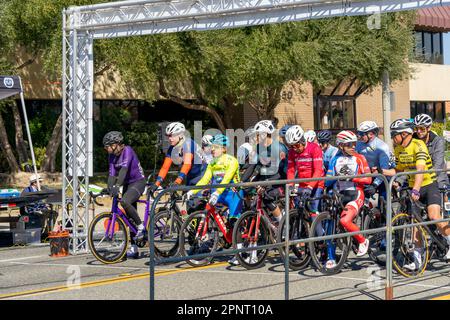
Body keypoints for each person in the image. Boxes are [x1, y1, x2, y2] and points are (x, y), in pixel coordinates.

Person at [387, 119, 450, 268]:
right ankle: (417, 260)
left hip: (429, 185)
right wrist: (379, 171)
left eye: (393, 135)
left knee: (434, 216)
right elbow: (399, 170)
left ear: (404, 134)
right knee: (414, 223)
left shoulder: (418, 145)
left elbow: (420, 170)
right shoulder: (398, 149)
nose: (392, 138)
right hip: (412, 187)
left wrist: (415, 189)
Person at [185, 134, 243, 265]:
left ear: (223, 149)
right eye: (211, 147)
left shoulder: (231, 160)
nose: (212, 150)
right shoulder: (212, 163)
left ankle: (239, 253)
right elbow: (204, 180)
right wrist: (192, 191)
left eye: (215, 147)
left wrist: (217, 192)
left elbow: (227, 179)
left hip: (233, 194)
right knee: (210, 211)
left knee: (234, 222)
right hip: (220, 193)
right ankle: (218, 237)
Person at [325, 130, 372, 269]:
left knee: (344, 220)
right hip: (339, 195)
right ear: (340, 146)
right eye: (349, 145)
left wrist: (353, 178)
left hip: (355, 193)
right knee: (330, 226)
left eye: (354, 144)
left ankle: (362, 241)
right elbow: (328, 179)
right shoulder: (335, 159)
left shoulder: (360, 158)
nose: (353, 147)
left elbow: (368, 179)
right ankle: (331, 257)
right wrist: (322, 188)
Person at [103, 131, 146, 259]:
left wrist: (117, 186)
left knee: (125, 202)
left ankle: (141, 227)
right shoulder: (112, 156)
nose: (107, 149)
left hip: (138, 182)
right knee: (129, 217)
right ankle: (134, 247)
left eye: (108, 146)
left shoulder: (127, 151)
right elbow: (111, 174)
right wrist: (109, 187)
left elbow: (123, 170)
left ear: (116, 145)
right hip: (127, 184)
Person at [241, 120, 287, 225]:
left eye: (257, 135)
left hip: (281, 179)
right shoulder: (258, 147)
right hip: (266, 179)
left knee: (267, 198)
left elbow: (281, 172)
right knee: (249, 193)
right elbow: (251, 167)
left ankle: (283, 226)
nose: (255, 137)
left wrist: (266, 182)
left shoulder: (279, 148)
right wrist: (241, 181)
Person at [148, 122, 204, 195]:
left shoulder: (188, 143)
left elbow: (187, 164)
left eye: (172, 136)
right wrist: (157, 184)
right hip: (190, 176)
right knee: (188, 202)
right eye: (168, 136)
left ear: (180, 135)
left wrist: (177, 181)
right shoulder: (172, 148)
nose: (170, 139)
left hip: (202, 174)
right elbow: (165, 167)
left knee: (197, 202)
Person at [285, 125, 324, 217]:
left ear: (302, 140)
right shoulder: (292, 152)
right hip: (302, 184)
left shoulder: (314, 148)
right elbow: (291, 170)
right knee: (299, 211)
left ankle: (319, 231)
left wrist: (310, 187)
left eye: (297, 145)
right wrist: (290, 186)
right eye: (292, 146)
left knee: (312, 213)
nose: (295, 148)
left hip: (316, 184)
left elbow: (318, 171)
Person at [355, 121, 392, 199]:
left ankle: (385, 209)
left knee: (383, 197)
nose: (359, 136)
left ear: (371, 134)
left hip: (382, 174)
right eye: (358, 134)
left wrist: (374, 185)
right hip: (368, 174)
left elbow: (384, 170)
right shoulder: (358, 144)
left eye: (362, 134)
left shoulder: (382, 147)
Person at [413, 114, 449, 190]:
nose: (419, 131)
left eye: (422, 128)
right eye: (416, 128)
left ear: (429, 128)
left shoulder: (438, 141)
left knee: (440, 194)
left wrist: (422, 178)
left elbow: (437, 165)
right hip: (416, 179)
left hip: (437, 177)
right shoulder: (413, 141)